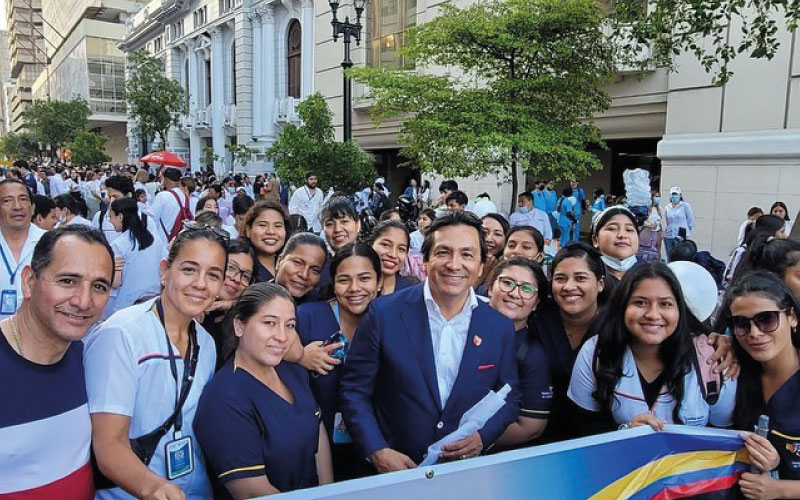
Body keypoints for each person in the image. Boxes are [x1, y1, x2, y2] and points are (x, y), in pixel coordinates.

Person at [340, 212, 520, 471]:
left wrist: (483, 437)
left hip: (460, 471)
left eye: (467, 255)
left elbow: (509, 395)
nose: (454, 264)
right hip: (392, 469)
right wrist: (376, 450)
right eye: (443, 252)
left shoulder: (499, 327)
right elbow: (355, 391)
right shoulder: (384, 314)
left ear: (482, 266)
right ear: (424, 260)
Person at [85, 227, 228, 500]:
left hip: (193, 490)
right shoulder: (122, 334)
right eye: (189, 269)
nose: (200, 283)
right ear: (165, 270)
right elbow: (108, 444)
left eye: (213, 275)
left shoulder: (206, 345)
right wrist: (154, 488)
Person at [0, 226, 114, 499]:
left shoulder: (92, 358)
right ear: (29, 281)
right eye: (67, 281)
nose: (83, 301)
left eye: (99, 286)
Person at [194, 283, 333, 498]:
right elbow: (253, 491)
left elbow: (317, 431)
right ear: (239, 326)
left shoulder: (293, 372)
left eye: (290, 325)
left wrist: (329, 493)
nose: (282, 336)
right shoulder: (224, 400)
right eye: (270, 323)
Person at [567, 263, 736, 434]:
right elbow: (582, 427)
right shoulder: (597, 352)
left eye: (666, 304)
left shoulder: (712, 358)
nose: (653, 315)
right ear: (622, 306)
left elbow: (725, 437)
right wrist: (624, 431)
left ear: (680, 309)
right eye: (640, 303)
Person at [291, 243, 382, 480]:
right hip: (313, 446)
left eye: (364, 278)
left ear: (379, 282)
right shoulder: (306, 317)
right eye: (344, 280)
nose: (355, 288)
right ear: (332, 283)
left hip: (373, 447)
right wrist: (299, 356)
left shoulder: (391, 321)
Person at [715, 273, 797, 499]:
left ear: (792, 317)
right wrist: (715, 339)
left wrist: (781, 490)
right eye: (741, 323)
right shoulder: (733, 371)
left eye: (767, 319)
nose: (754, 333)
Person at [530, 242, 606, 442]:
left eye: (580, 278)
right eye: (560, 279)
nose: (569, 287)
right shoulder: (536, 321)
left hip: (597, 439)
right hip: (533, 438)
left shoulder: (615, 327)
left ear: (600, 283)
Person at [488, 258, 552, 448]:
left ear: (536, 302)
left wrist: (471, 440)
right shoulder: (461, 328)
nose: (515, 294)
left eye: (526, 289)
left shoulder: (532, 354)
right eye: (507, 283)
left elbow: (531, 427)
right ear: (491, 287)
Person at [103, 197, 166, 319]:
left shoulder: (119, 245)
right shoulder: (155, 240)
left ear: (120, 217)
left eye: (110, 216)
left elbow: (116, 283)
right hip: (154, 301)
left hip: (127, 305)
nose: (110, 220)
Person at [202, 239, 255, 370]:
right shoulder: (184, 306)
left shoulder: (240, 323)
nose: (237, 279)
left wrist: (236, 304)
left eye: (246, 276)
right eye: (231, 268)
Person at [0, 179, 46, 319]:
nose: (17, 206)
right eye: (7, 201)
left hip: (37, 333)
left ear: (32, 208)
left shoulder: (51, 243)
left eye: (23, 199)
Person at [591, 206, 640, 286]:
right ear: (595, 240)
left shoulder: (649, 277)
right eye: (612, 229)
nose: (622, 235)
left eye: (629, 230)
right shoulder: (587, 278)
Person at [245, 201, 291, 283]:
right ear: (248, 230)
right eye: (262, 225)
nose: (271, 232)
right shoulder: (243, 269)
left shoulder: (290, 269)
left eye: (278, 226)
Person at [274, 232, 327, 303]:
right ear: (279, 261)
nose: (304, 275)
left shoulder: (323, 309)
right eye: (297, 263)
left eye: (315, 270)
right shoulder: (255, 297)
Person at [369, 220, 418, 295]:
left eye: (401, 249)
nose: (393, 254)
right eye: (385, 245)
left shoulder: (412, 289)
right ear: (371, 244)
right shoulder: (357, 289)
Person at [150, 167, 192, 242]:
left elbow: (152, 220)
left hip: (163, 241)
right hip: (179, 241)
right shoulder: (185, 196)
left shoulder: (162, 196)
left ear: (165, 179)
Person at [663, 186, 696, 256]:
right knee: (669, 255)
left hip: (680, 236)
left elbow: (691, 220)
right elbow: (667, 221)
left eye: (676, 194)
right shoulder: (667, 207)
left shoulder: (685, 206)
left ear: (680, 195)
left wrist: (685, 230)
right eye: (673, 194)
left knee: (680, 255)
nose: (674, 196)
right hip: (669, 235)